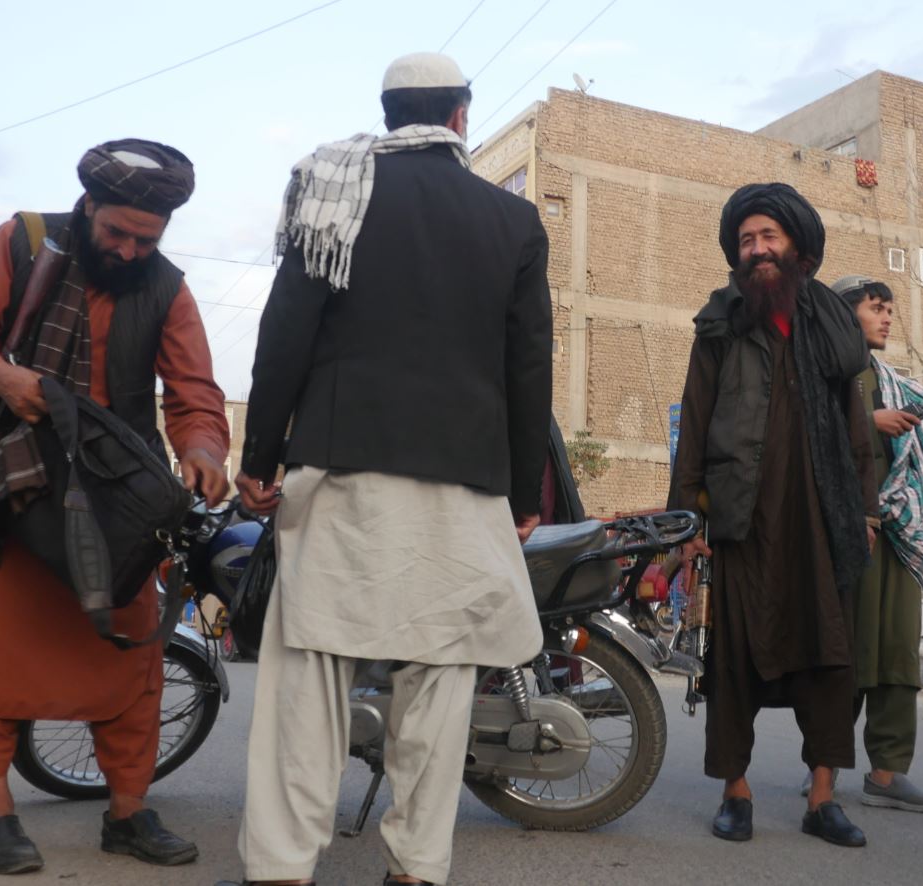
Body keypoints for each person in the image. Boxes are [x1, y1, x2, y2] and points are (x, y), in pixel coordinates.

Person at [226, 52, 551, 886]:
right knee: (440, 684)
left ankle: (280, 869)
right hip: (464, 480)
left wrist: (258, 459)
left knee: (309, 675)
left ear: (388, 110)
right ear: (460, 118)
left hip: (343, 466)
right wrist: (522, 493)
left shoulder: (333, 192)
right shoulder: (510, 222)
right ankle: (416, 870)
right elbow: (527, 370)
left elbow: (283, 339)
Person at [0, 139, 230, 875]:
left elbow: (195, 396)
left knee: (130, 656)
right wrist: (1, 377)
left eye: (144, 240)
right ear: (88, 206)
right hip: (3, 478)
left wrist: (205, 452)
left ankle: (127, 813)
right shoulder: (24, 240)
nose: (127, 250)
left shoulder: (167, 288)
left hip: (108, 498)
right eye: (116, 232)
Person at [669, 182, 877, 849]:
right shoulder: (721, 321)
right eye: (746, 240)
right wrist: (687, 525)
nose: (757, 249)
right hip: (742, 517)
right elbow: (695, 425)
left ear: (796, 246)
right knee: (731, 658)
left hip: (821, 516)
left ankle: (822, 797)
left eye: (768, 237)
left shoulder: (831, 323)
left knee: (830, 656)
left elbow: (855, 433)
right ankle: (735, 791)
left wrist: (865, 514)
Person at [826, 273, 923, 814]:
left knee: (897, 652)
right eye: (876, 308)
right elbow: (794, 435)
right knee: (844, 656)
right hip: (842, 536)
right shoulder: (824, 375)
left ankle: (887, 773)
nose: (887, 318)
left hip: (895, 532)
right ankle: (823, 773)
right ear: (844, 313)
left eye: (890, 310)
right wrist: (865, 420)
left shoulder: (891, 380)